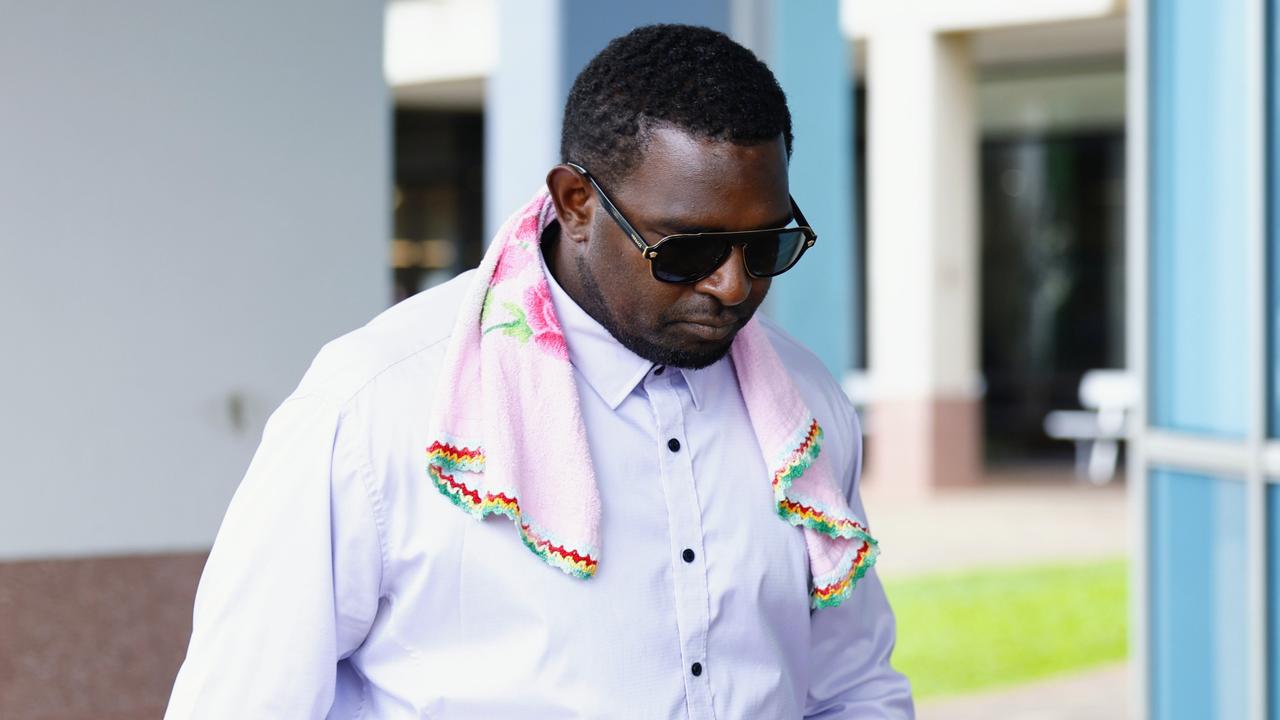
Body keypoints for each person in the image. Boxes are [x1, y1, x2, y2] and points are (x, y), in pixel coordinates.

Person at [166, 23, 914, 719]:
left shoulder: (805, 406)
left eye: (765, 246)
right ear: (577, 203)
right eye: (687, 250)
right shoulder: (374, 410)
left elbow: (851, 685)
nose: (733, 285)